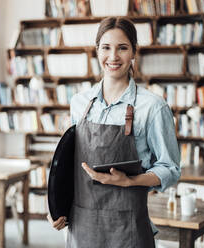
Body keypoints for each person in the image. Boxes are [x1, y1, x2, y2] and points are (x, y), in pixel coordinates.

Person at [48, 17, 181, 247]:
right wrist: (55, 207)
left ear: (133, 53)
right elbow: (69, 165)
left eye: (122, 48)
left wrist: (130, 180)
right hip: (83, 227)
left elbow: (170, 168)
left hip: (128, 228)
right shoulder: (79, 102)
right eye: (106, 48)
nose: (113, 57)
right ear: (96, 50)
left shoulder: (153, 107)